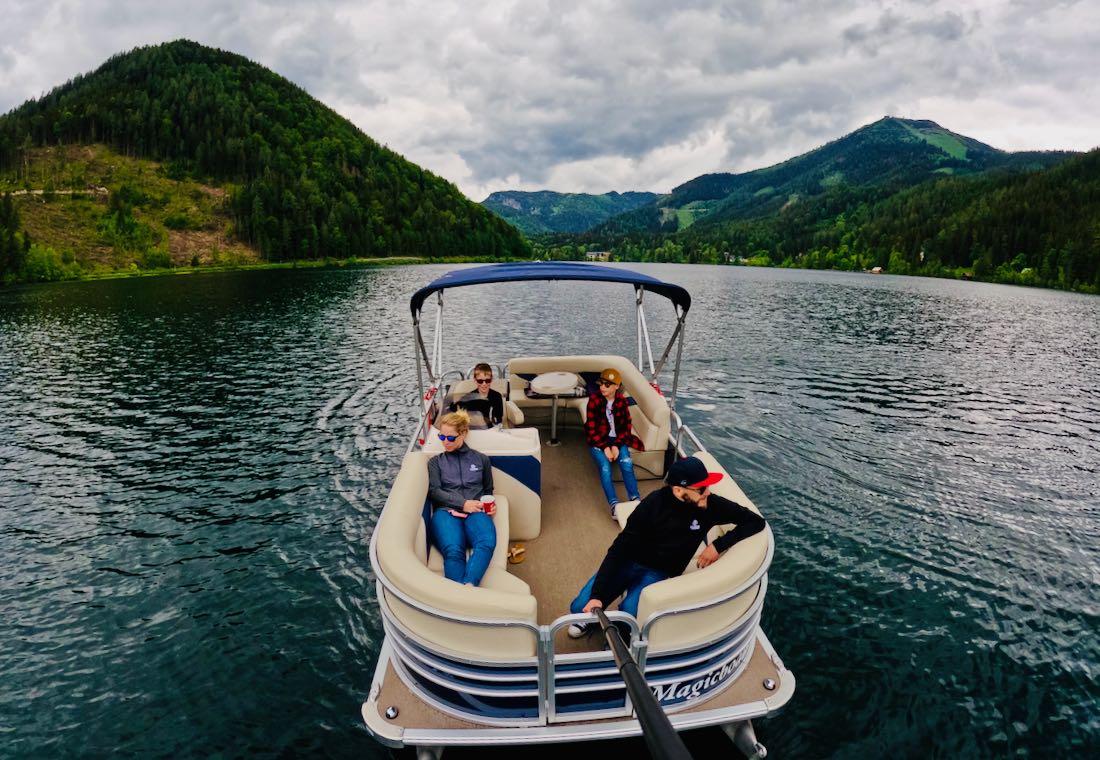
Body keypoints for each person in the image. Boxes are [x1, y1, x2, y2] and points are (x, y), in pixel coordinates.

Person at [567, 456, 766, 638]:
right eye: (701, 488)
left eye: (707, 486)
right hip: (629, 560)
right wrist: (597, 596)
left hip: (659, 572)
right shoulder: (652, 504)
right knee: (579, 607)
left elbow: (755, 521)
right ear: (679, 490)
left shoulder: (710, 505)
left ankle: (621, 629)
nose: (708, 492)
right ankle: (599, 609)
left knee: (629, 614)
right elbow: (618, 550)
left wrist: (718, 545)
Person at [427, 410, 496, 586]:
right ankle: (460, 596)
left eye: (450, 438)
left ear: (463, 434)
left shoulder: (481, 460)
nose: (445, 442)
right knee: (453, 551)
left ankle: (468, 586)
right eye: (442, 437)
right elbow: (435, 491)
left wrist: (490, 505)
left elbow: (488, 489)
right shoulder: (436, 462)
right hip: (446, 512)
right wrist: (462, 503)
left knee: (486, 543)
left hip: (476, 511)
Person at [584, 367, 643, 519]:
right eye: (601, 383)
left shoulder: (622, 402)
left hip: (617, 439)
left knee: (626, 462)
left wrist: (616, 445)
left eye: (607, 384)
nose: (602, 387)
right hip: (598, 440)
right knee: (605, 468)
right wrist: (605, 448)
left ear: (616, 386)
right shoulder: (594, 400)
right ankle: (614, 505)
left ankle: (635, 499)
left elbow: (626, 427)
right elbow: (591, 429)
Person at [452, 363, 504, 428]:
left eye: (487, 380)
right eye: (480, 381)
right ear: (475, 380)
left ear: (491, 380)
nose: (484, 384)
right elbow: (454, 409)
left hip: (491, 430)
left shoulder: (497, 396)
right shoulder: (469, 398)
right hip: (473, 430)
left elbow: (498, 419)